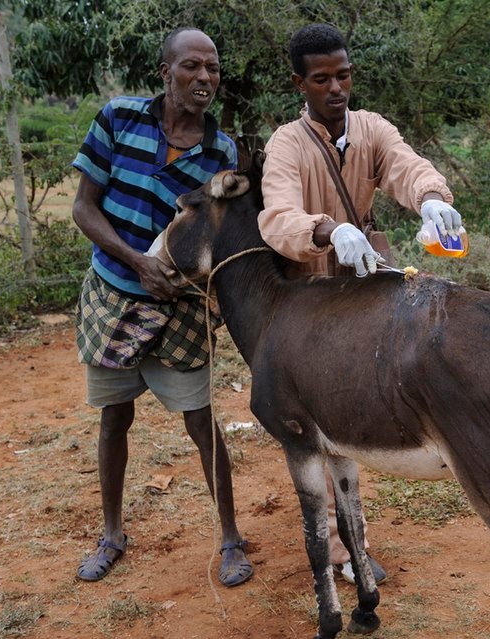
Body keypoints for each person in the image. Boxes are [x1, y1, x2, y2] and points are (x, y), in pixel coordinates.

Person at [258, 23, 465, 584]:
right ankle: (343, 550)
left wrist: (428, 200)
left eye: (343, 75)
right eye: (321, 79)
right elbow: (277, 215)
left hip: (365, 281)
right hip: (309, 299)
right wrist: (326, 229)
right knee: (317, 425)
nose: (336, 88)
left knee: (368, 395)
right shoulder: (286, 143)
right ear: (300, 82)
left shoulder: (371, 129)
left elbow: (404, 163)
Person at [71, 27, 252, 588]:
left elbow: (222, 239)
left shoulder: (221, 151)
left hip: (180, 307)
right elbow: (83, 208)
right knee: (114, 418)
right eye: (192, 67)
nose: (205, 79)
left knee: (201, 422)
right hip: (113, 293)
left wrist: (205, 291)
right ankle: (112, 535)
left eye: (213, 69)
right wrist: (136, 259)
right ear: (165, 72)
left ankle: (230, 539)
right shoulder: (117, 118)